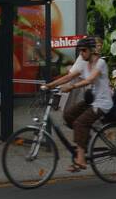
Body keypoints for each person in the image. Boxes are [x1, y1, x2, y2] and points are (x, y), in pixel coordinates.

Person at [42, 36, 111, 171]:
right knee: (68, 116)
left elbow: (90, 80)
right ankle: (84, 138)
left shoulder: (100, 63)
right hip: (91, 101)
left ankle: (81, 160)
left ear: (91, 50)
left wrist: (71, 87)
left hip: (102, 103)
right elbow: (69, 77)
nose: (81, 53)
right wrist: (49, 85)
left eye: (83, 50)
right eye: (80, 51)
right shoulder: (85, 64)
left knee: (80, 123)